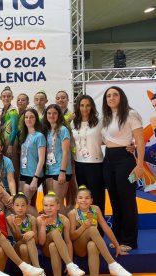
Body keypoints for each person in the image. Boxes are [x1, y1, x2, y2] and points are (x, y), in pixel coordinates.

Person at [101, 86, 144, 251]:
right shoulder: (106, 117)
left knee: (127, 200)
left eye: (115, 95)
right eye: (108, 96)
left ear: (121, 96)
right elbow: (107, 140)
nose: (111, 98)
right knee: (115, 200)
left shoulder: (130, 114)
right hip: (109, 159)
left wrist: (139, 165)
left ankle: (129, 240)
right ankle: (117, 237)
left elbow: (139, 141)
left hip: (125, 160)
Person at [68, 186, 131, 276]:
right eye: (80, 198)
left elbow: (106, 228)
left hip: (93, 245)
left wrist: (117, 246)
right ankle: (112, 264)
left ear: (91, 200)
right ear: (76, 200)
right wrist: (83, 227)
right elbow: (72, 237)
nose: (83, 200)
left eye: (87, 198)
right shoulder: (73, 213)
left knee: (92, 245)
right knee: (92, 229)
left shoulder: (95, 209)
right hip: (79, 247)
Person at [37, 191, 85, 276]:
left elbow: (68, 241)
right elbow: (41, 242)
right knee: (55, 232)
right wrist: (43, 226)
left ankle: (68, 266)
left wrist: (70, 258)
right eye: (46, 205)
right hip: (45, 249)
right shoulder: (40, 219)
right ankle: (70, 265)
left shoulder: (64, 220)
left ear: (58, 206)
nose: (48, 208)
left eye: (52, 205)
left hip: (57, 248)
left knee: (53, 246)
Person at [71, 95, 105, 214]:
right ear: (78, 107)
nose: (84, 108)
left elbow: (109, 139)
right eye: (82, 105)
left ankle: (98, 230)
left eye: (88, 105)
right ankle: (85, 228)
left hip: (95, 165)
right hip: (79, 164)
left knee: (96, 198)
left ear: (92, 107)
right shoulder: (73, 123)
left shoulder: (100, 123)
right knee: (83, 199)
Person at [42, 104, 72, 214]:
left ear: (59, 115)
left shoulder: (63, 130)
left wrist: (62, 171)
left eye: (55, 113)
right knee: (51, 203)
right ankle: (55, 228)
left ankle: (67, 230)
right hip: (49, 170)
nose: (51, 115)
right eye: (49, 113)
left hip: (60, 170)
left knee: (58, 203)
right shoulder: (47, 131)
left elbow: (66, 152)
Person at [18, 109, 46, 216]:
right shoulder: (24, 135)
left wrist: (35, 178)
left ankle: (40, 222)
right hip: (23, 173)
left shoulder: (39, 136)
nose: (28, 119)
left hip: (34, 174)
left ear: (36, 119)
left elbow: (41, 159)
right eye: (26, 117)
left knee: (24, 203)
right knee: (22, 202)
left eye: (31, 117)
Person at [6, 193, 42, 269]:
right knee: (26, 241)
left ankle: (28, 272)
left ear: (27, 206)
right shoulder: (10, 218)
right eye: (17, 205)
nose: (20, 208)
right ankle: (37, 268)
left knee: (24, 248)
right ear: (13, 206)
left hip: (29, 246)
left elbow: (37, 241)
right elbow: (17, 237)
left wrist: (32, 233)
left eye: (23, 205)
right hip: (16, 245)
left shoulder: (32, 218)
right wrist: (16, 226)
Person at [0, 87, 19, 185]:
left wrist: (11, 144)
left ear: (12, 97)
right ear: (1, 98)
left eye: (8, 96)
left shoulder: (13, 111)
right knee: (6, 166)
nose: (6, 98)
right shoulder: (3, 110)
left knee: (13, 166)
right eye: (4, 96)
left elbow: (15, 128)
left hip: (11, 140)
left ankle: (15, 191)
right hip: (4, 141)